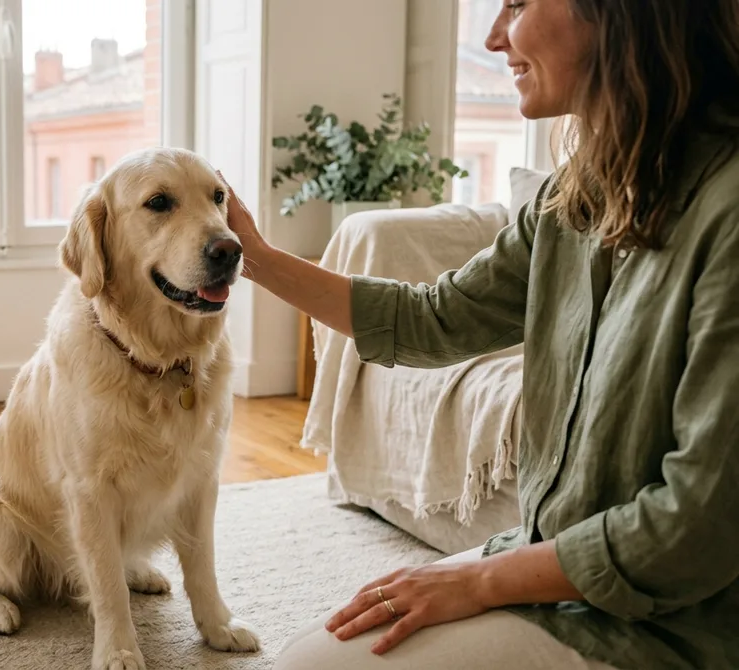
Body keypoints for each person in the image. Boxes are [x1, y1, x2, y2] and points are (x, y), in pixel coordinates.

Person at [220, 1, 739, 669]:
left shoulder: (726, 209)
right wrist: (254, 257)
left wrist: (477, 580)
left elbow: (696, 530)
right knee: (309, 656)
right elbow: (431, 317)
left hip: (674, 630)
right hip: (555, 572)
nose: (496, 37)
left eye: (518, 3)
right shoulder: (572, 199)